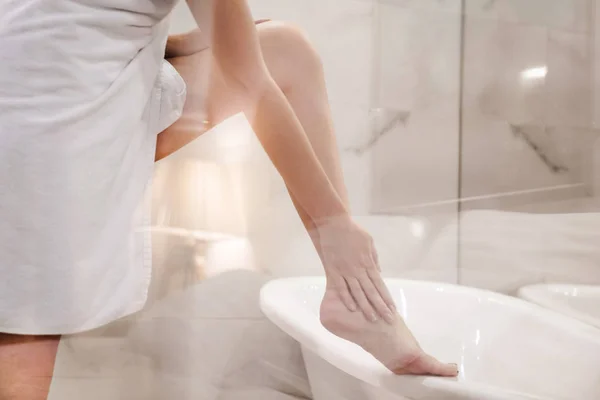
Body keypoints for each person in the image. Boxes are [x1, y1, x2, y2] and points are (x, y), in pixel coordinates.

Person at [0, 1, 457, 399]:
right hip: (46, 130)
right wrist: (336, 228)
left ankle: (353, 300)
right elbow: (249, 84)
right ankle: (355, 295)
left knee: (283, 49)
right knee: (20, 366)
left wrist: (201, 41)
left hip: (40, 101)